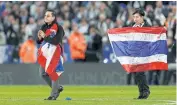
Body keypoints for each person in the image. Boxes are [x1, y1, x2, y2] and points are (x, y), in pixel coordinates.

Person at [37, 10, 65, 100]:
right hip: (46, 53)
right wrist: (39, 38)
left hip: (55, 53)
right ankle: (57, 88)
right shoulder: (43, 27)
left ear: (53, 17)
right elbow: (39, 41)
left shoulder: (59, 28)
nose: (45, 17)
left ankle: (53, 95)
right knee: (42, 74)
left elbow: (55, 41)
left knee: (53, 74)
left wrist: (44, 36)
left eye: (48, 16)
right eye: (45, 15)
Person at [130, 8, 151, 99]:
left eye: (137, 17)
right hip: (136, 53)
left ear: (142, 17)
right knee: (137, 74)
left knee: (140, 73)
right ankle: (142, 93)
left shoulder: (148, 26)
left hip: (145, 53)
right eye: (134, 17)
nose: (135, 19)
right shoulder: (133, 27)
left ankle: (145, 91)